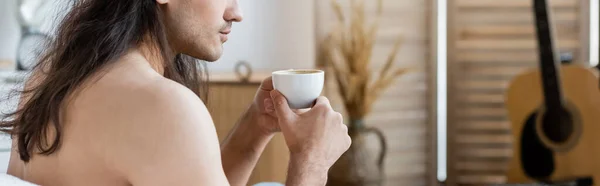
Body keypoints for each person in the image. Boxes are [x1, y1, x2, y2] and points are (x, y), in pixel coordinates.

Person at [0, 0, 351, 186]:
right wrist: (312, 163)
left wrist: (253, 130)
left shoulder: (48, 77)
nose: (237, 13)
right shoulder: (163, 106)